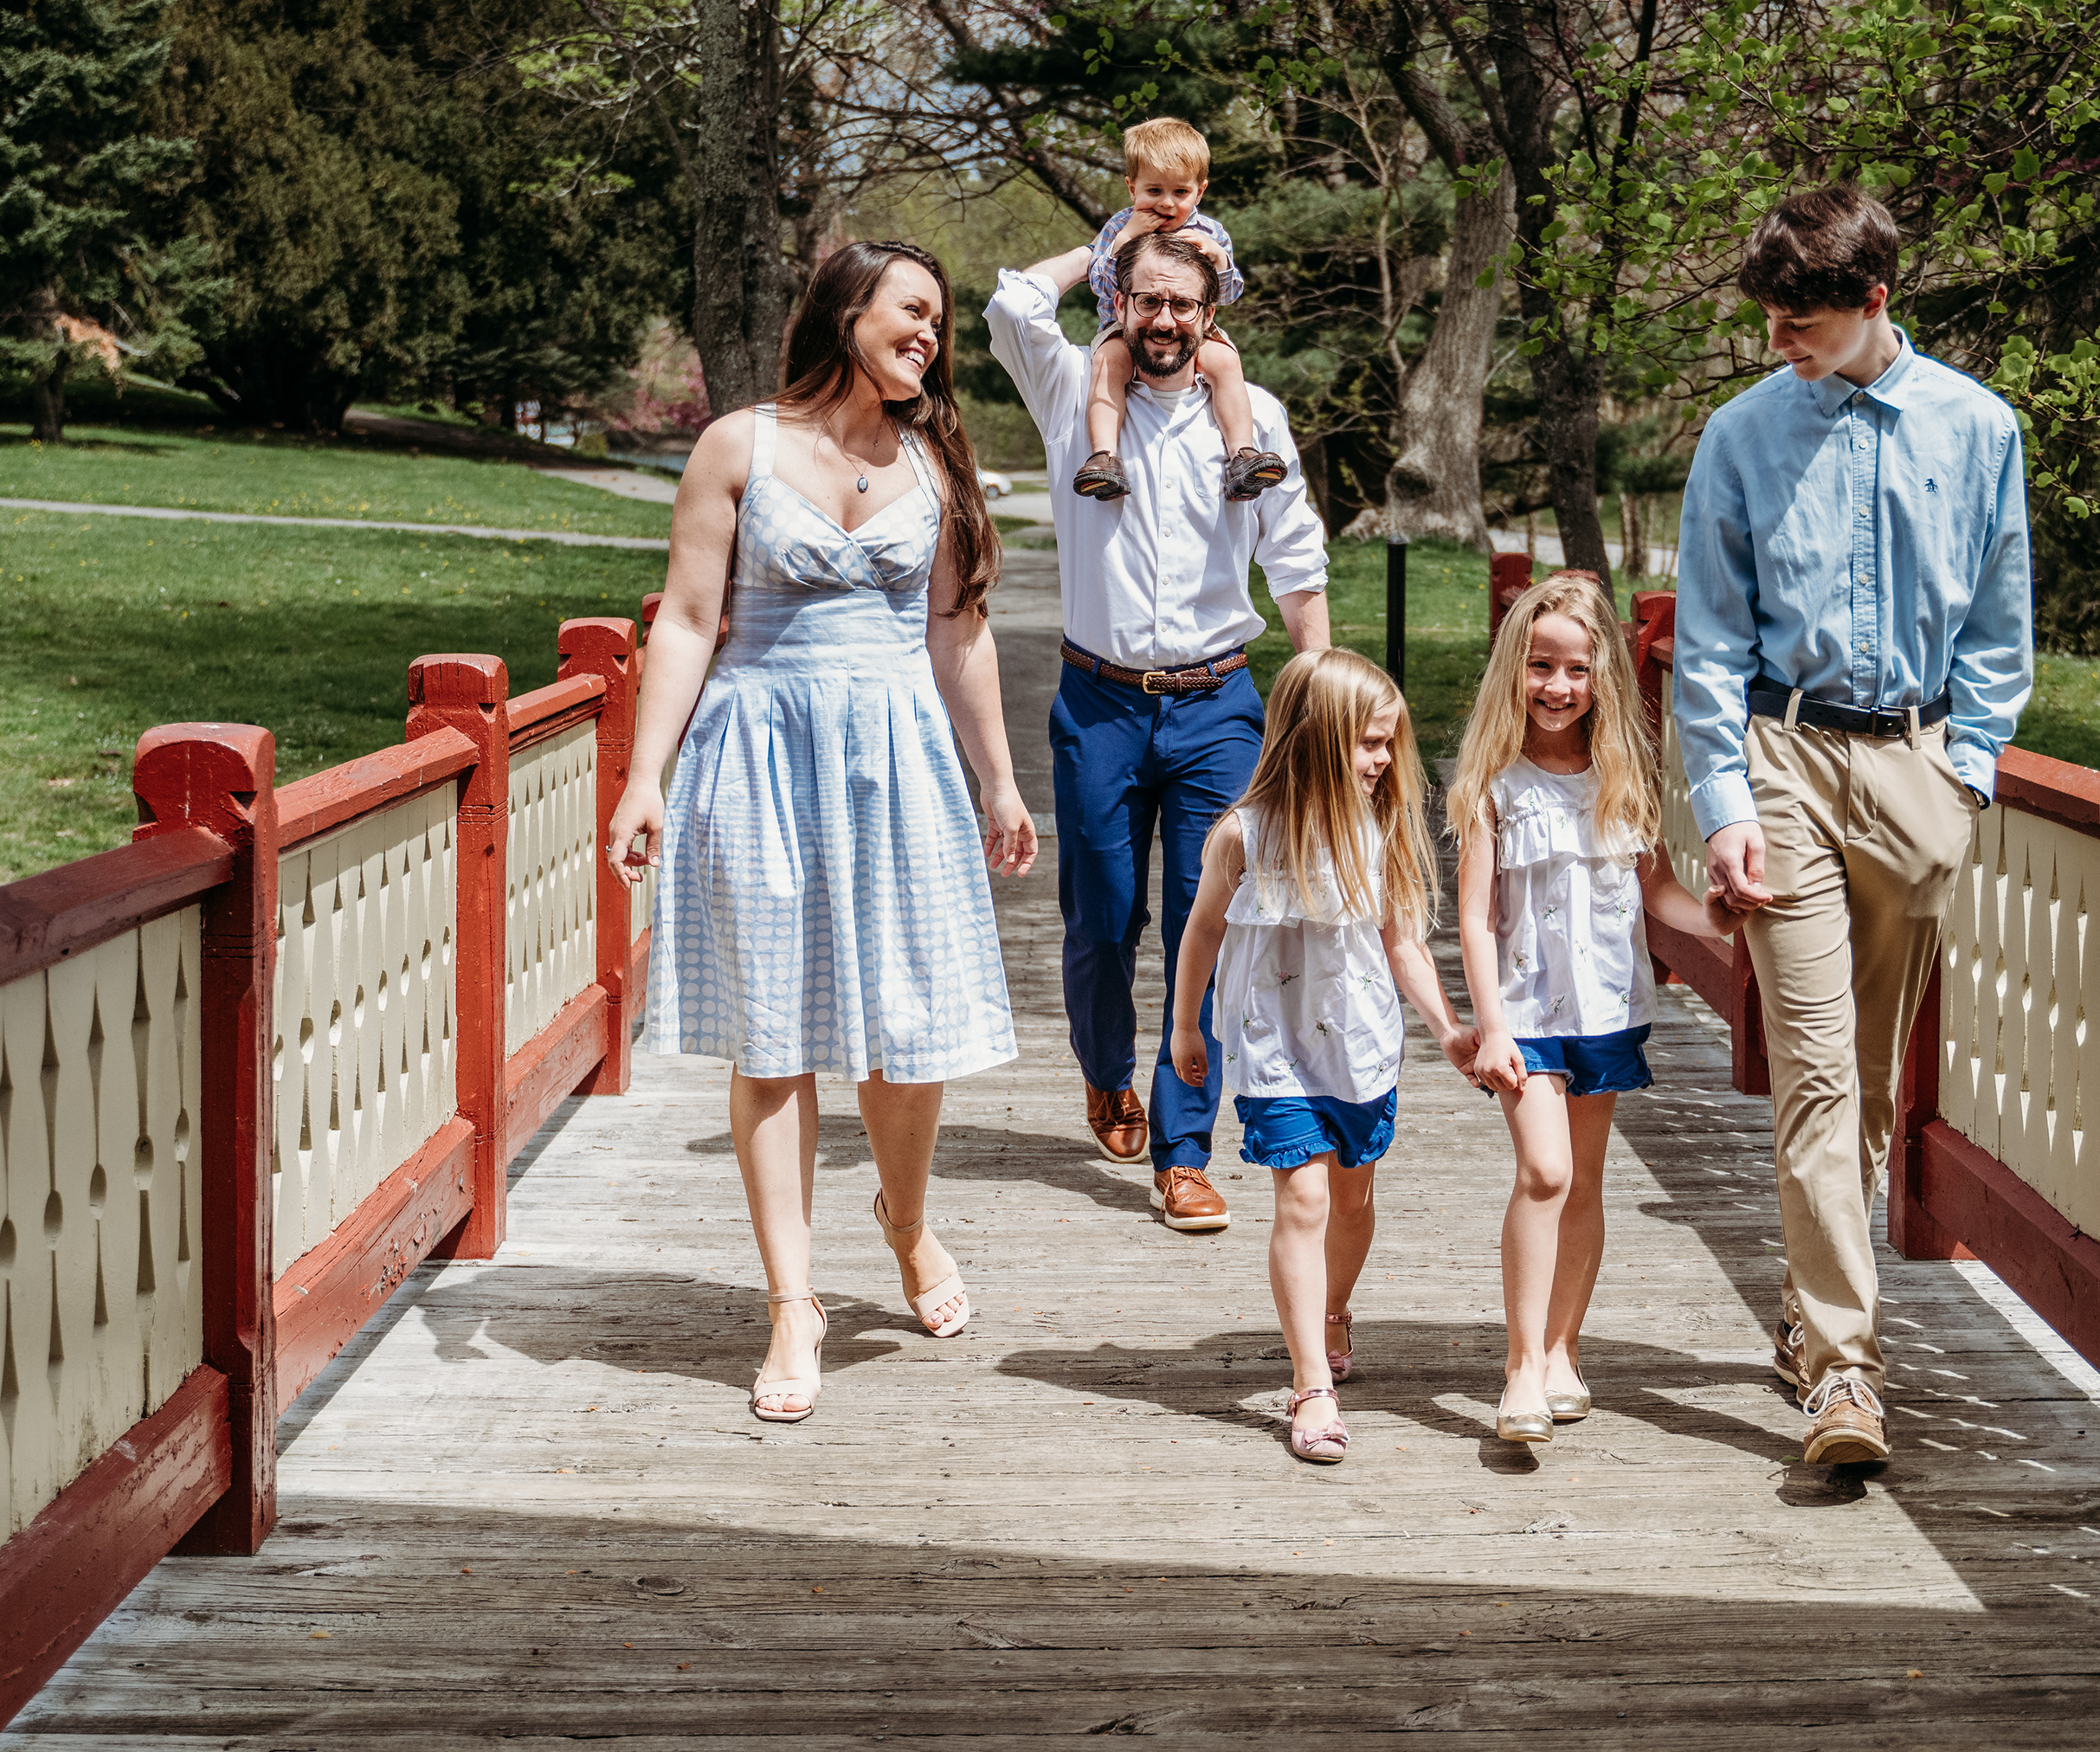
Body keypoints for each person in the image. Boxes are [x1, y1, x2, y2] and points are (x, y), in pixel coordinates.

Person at [607, 240, 1037, 1425]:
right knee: (775, 1031)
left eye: (941, 324)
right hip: (759, 754)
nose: (930, 337)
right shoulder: (737, 446)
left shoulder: (938, 459)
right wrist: (647, 777)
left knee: (905, 1035)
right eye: (912, 312)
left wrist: (1000, 783)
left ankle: (904, 1223)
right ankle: (792, 1302)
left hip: (897, 763)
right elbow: (691, 620)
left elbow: (958, 633)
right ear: (848, 310)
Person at [1674, 181, 2032, 1472]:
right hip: (1786, 762)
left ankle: (1807, 1309)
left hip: (1919, 774)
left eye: (1800, 322)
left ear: (1875, 301)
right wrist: (1721, 806)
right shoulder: (1741, 437)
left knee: (1869, 1084)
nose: (1779, 342)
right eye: (1767, 319)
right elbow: (1707, 640)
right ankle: (1845, 1378)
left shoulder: (1980, 427)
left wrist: (1970, 774)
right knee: (1818, 1078)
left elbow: (2001, 624)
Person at [989, 223, 1332, 1232]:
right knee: (1101, 915)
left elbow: (1297, 558)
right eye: (1147, 300)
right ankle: (1105, 1072)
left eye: (1185, 302)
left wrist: (1315, 698)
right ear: (1119, 307)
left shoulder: (1251, 416)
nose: (1167, 321)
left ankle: (1185, 1151)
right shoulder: (1070, 397)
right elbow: (1013, 300)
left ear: (1211, 312)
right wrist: (1125, 234)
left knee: (1208, 923)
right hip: (1097, 701)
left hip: (1218, 705)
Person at [1449, 573, 1735, 1445]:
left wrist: (1729, 926)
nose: (1558, 687)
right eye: (1541, 666)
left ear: (1603, 676)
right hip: (1524, 1014)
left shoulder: (1623, 777)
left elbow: (1662, 894)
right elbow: (1471, 916)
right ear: (1515, 668)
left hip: (1605, 1008)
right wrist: (1488, 1023)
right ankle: (1521, 1364)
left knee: (1585, 1181)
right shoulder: (1494, 784)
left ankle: (1566, 1347)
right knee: (1545, 1172)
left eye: (1577, 670)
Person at [1164, 649, 1463, 1463]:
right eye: (1368, 745)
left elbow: (1402, 944)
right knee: (1303, 1200)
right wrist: (1185, 1029)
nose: (1381, 762)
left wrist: (1449, 1029)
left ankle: (1334, 1308)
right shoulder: (1243, 836)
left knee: (1352, 1200)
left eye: (1387, 746)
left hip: (1360, 1046)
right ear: (1315, 739)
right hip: (1272, 1047)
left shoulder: (1382, 828)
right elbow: (1202, 931)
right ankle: (1311, 1389)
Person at [1071, 118, 1281, 505]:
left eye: (1180, 191)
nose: (1166, 203)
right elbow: (1100, 284)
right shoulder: (1120, 225)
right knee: (1109, 363)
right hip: (1125, 326)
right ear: (1131, 187)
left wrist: (1220, 262)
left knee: (1225, 361)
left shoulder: (1211, 233)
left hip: (1192, 328)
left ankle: (1242, 455)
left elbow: (1230, 294)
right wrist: (1124, 240)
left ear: (1199, 192)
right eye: (1153, 190)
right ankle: (1104, 456)